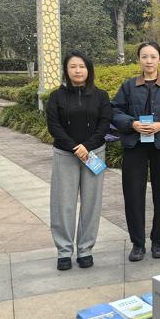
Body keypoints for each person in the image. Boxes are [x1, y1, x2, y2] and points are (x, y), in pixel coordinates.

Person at [111, 42, 160, 262]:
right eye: (144, 56)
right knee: (133, 195)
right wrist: (132, 124)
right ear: (138, 59)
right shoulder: (128, 86)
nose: (148, 61)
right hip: (134, 146)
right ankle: (137, 244)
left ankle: (158, 241)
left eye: (153, 56)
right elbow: (114, 111)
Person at [46, 50, 112, 271]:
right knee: (63, 203)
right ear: (66, 70)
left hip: (94, 153)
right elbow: (54, 126)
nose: (77, 70)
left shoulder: (101, 96)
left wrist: (87, 146)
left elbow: (104, 124)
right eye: (73, 66)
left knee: (91, 204)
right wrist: (75, 147)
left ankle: (85, 250)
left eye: (82, 66)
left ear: (89, 69)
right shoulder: (57, 96)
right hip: (65, 155)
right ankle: (64, 251)